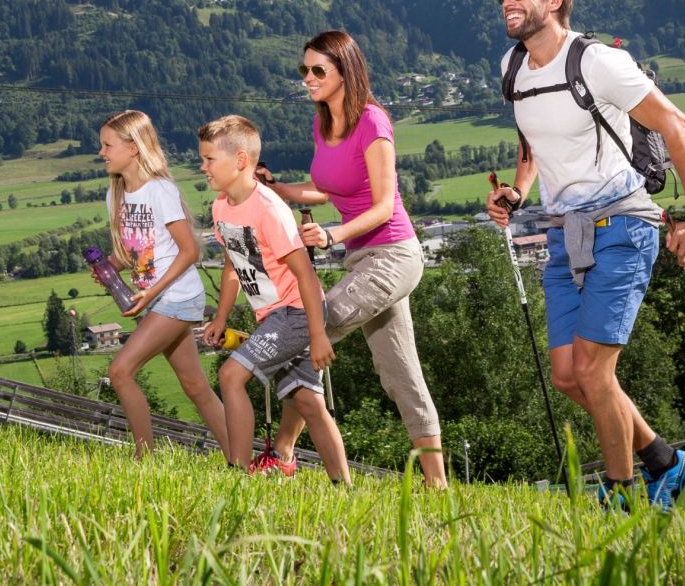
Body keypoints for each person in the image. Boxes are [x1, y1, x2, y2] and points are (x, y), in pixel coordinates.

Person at [485, 0, 685, 510]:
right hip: (565, 231)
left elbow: (679, 126)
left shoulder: (597, 61)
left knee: (592, 369)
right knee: (569, 376)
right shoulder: (512, 67)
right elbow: (532, 138)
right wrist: (518, 190)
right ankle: (666, 461)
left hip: (623, 224)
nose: (508, 1)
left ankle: (620, 496)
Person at [256, 30, 447, 487]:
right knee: (399, 373)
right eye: (303, 69)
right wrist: (276, 187)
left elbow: (382, 206)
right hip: (362, 260)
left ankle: (282, 454)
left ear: (345, 71)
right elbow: (325, 189)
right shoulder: (324, 123)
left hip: (394, 256)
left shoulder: (372, 122)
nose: (308, 78)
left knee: (309, 331)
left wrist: (331, 235)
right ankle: (438, 485)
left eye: (318, 70)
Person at [198, 115, 351, 483]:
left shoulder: (269, 210)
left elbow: (306, 275)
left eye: (209, 159)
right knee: (308, 402)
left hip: (297, 313)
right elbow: (233, 265)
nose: (203, 167)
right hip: (275, 317)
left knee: (230, 375)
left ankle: (237, 474)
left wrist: (317, 335)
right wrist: (221, 317)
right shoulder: (221, 208)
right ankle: (344, 488)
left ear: (240, 161)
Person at [95, 110, 230, 459]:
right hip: (154, 299)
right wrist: (109, 267)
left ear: (133, 147)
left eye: (108, 145)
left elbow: (189, 251)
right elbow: (132, 252)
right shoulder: (116, 195)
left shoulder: (159, 190)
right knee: (195, 386)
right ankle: (241, 459)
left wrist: (152, 291)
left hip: (177, 297)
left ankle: (144, 459)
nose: (102, 152)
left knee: (120, 371)